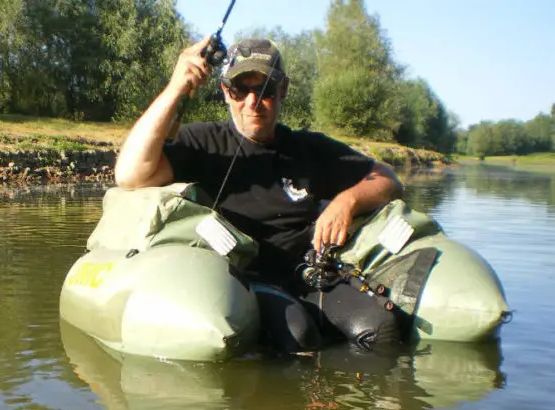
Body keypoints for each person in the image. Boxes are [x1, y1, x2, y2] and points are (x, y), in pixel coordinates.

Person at [114, 37, 405, 351]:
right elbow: (130, 175)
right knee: (299, 333)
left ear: (283, 91)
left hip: (307, 275)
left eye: (265, 90)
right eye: (241, 90)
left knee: (382, 329)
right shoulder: (202, 143)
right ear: (226, 92)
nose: (252, 102)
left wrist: (348, 201)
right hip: (241, 282)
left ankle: (343, 397)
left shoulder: (310, 148)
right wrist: (175, 88)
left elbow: (387, 179)